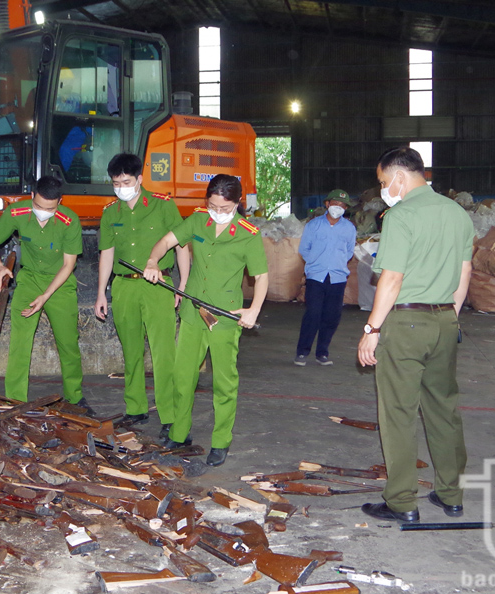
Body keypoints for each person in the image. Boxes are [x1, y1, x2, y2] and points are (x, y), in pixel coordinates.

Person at [357, 147, 474, 523]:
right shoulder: (457, 213)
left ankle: (402, 502)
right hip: (445, 320)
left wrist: (372, 329)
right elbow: (464, 272)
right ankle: (451, 495)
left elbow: (392, 278)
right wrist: (450, 316)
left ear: (399, 177)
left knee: (399, 413)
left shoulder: (401, 215)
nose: (383, 190)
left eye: (383, 182)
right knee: (444, 409)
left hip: (406, 323)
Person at [143, 174, 268, 467]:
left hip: (225, 317)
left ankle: (221, 441)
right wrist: (152, 261)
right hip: (192, 312)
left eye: (225, 208)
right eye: (213, 206)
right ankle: (179, 433)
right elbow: (166, 241)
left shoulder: (248, 233)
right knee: (182, 376)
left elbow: (261, 276)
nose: (218, 212)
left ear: (238, 203)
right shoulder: (198, 220)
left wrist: (254, 310)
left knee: (224, 383)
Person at [95, 153, 190, 431]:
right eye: (116, 183)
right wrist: (101, 293)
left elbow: (181, 245)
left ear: (140, 179)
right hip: (124, 287)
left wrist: (183, 283)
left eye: (126, 182)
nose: (121, 188)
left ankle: (169, 415)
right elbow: (107, 254)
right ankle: (135, 408)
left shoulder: (163, 205)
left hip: (158, 286)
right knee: (131, 350)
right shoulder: (111, 212)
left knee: (164, 353)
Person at [0, 176, 92, 413]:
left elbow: (68, 265)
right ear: (32, 196)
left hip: (60, 284)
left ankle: (75, 397)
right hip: (29, 280)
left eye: (50, 209)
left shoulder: (69, 220)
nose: (44, 213)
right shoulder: (16, 212)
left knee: (68, 343)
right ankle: (15, 401)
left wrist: (46, 296)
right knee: (20, 342)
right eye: (39, 207)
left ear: (60, 202)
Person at [294, 189, 358, 366]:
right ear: (327, 204)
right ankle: (302, 352)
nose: (338, 207)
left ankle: (322, 353)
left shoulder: (349, 228)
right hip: (316, 276)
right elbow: (304, 249)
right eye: (335, 204)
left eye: (342, 205)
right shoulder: (313, 225)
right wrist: (316, 262)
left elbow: (349, 252)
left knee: (331, 316)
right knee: (313, 314)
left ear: (346, 208)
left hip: (337, 278)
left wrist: (336, 263)